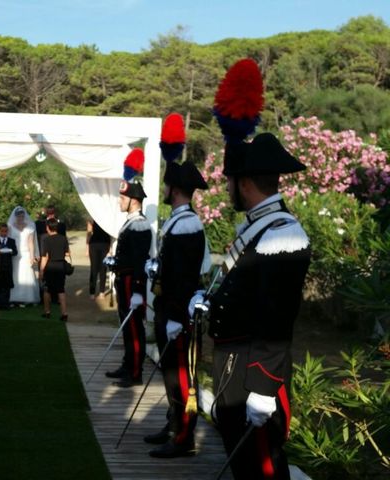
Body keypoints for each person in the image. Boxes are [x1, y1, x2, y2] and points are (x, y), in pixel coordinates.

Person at [200, 58, 311, 479]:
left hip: (254, 372)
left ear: (244, 183)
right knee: (243, 464)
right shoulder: (260, 227)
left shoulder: (284, 234)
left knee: (261, 467)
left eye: (230, 182)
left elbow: (276, 319)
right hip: (235, 365)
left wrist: (264, 388)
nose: (227, 188)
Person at [143, 113, 211, 458]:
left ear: (177, 189)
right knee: (171, 375)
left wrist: (173, 314)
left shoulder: (187, 225)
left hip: (177, 311)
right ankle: (173, 424)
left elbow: (184, 275)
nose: (164, 191)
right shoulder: (179, 221)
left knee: (182, 378)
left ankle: (184, 436)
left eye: (167, 186)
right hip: (169, 307)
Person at [105, 148, 152, 388]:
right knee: (127, 326)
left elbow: (140, 261)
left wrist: (136, 289)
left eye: (123, 198)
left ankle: (135, 372)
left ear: (134, 200)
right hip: (123, 279)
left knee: (134, 328)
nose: (119, 201)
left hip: (131, 281)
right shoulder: (131, 223)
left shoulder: (141, 224)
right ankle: (127, 364)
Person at [7, 206, 40, 304]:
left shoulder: (30, 226)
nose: (20, 218)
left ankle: (28, 298)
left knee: (27, 275)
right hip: (15, 255)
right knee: (15, 275)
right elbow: (8, 241)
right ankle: (13, 297)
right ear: (15, 216)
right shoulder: (10, 226)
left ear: (24, 216)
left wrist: (32, 256)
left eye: (22, 216)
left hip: (26, 254)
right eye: (19, 216)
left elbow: (31, 243)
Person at [39, 218, 71, 321]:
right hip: (61, 266)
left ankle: (47, 312)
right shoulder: (63, 238)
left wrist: (41, 270)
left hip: (50, 267)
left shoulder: (46, 240)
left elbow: (45, 257)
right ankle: (64, 313)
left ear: (48, 228)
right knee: (61, 290)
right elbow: (67, 253)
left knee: (47, 290)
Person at [0, 222, 18, 309]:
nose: (4, 233)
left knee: (7, 285)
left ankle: (6, 303)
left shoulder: (11, 241)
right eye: (2, 231)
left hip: (8, 266)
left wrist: (11, 251)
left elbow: (15, 252)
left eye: (6, 231)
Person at [86, 218, 111, 299]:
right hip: (93, 245)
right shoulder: (92, 219)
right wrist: (86, 248)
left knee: (103, 268)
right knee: (94, 268)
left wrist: (110, 249)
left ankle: (101, 291)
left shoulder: (108, 218)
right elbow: (89, 233)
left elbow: (110, 234)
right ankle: (92, 292)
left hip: (105, 244)